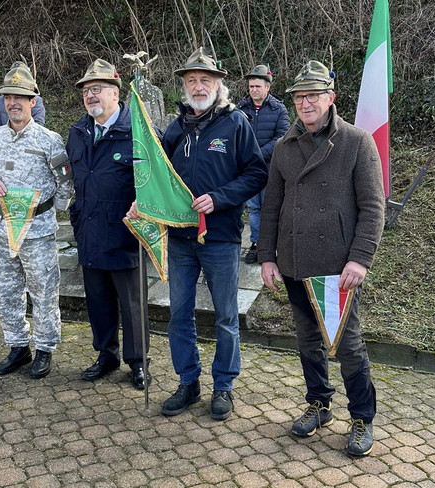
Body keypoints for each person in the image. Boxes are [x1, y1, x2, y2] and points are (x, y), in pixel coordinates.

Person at [257, 60, 385, 456]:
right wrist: (267, 257)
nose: (305, 103)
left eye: (313, 95)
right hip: (295, 262)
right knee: (309, 341)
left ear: (331, 98)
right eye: (299, 96)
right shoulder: (284, 147)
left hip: (337, 268)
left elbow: (373, 207)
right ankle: (319, 404)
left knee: (347, 346)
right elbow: (271, 206)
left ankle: (362, 416)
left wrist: (360, 259)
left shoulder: (357, 142)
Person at [145, 47, 267, 420]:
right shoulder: (175, 128)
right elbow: (157, 175)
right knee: (179, 314)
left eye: (205, 80)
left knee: (227, 317)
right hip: (180, 239)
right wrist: (145, 202)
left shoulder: (236, 124)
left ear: (218, 84)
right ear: (184, 86)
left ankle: (224, 387)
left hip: (220, 238)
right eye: (191, 81)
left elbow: (256, 173)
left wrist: (219, 198)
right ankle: (188, 382)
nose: (198, 87)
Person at [0, 62, 74, 379]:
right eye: (8, 97)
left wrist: (51, 211)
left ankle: (44, 349)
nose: (13, 102)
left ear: (33, 101)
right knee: (6, 292)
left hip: (37, 233)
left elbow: (65, 181)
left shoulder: (50, 140)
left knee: (44, 293)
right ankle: (18, 348)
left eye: (20, 97)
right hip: (0, 230)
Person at [66, 59, 151, 390]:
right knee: (98, 302)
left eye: (97, 89)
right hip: (89, 231)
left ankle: (138, 361)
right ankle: (106, 355)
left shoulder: (139, 132)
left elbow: (157, 181)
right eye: (86, 91)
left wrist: (143, 207)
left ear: (116, 93)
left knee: (132, 306)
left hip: (125, 234)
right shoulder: (77, 132)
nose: (90, 96)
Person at [236, 64, 290, 264]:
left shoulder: (279, 109)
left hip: (271, 168)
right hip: (248, 170)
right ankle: (257, 244)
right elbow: (233, 134)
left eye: (258, 86)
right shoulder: (240, 109)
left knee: (270, 208)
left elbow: (282, 138)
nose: (253, 90)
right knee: (254, 208)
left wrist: (257, 154)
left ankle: (271, 246)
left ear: (267, 87)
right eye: (251, 86)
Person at [0, 62, 46, 128]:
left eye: (18, 97)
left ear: (32, 102)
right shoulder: (0, 100)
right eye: (7, 97)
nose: (12, 103)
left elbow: (38, 124)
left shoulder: (36, 100)